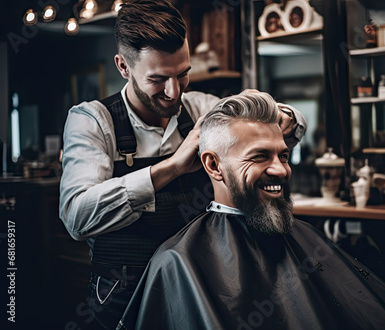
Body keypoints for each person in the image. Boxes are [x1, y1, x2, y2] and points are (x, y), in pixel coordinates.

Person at [58, 1, 306, 329]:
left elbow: (292, 126)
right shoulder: (92, 121)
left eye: (183, 74)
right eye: (158, 79)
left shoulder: (202, 107)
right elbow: (76, 216)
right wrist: (171, 167)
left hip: (200, 288)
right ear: (123, 66)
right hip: (121, 295)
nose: (174, 92)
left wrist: (278, 115)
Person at [117, 92, 385, 330]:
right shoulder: (178, 261)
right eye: (260, 156)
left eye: (283, 156)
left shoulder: (303, 237)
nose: (281, 170)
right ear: (213, 165)